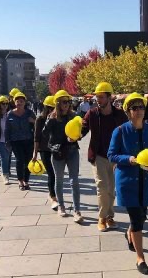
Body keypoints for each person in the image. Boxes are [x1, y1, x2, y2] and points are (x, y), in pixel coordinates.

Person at [108, 92, 148, 275]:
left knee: (142, 217)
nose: (138, 111)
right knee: (137, 220)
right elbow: (111, 154)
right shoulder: (120, 131)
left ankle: (130, 233)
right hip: (127, 182)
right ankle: (140, 258)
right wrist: (129, 159)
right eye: (134, 108)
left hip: (145, 181)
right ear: (128, 112)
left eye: (141, 107)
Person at [81, 82, 127, 232]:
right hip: (99, 155)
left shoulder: (120, 114)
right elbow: (82, 130)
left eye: (101, 97)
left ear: (109, 97)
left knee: (111, 189)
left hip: (116, 157)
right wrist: (73, 136)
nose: (98, 100)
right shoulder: (92, 114)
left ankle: (110, 216)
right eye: (97, 97)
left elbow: (127, 132)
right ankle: (102, 218)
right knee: (102, 187)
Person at [43, 89, 83, 223]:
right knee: (59, 180)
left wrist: (78, 136)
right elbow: (44, 134)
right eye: (64, 102)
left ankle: (77, 210)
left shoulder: (73, 115)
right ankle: (61, 206)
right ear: (58, 103)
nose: (67, 104)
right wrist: (48, 122)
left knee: (74, 181)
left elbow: (79, 132)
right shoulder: (52, 118)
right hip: (58, 152)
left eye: (69, 102)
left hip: (72, 150)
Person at [4, 92, 36, 190]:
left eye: (21, 101)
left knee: (28, 161)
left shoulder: (29, 113)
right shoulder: (10, 114)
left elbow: (38, 125)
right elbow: (7, 129)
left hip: (28, 140)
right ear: (14, 102)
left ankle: (26, 181)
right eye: (17, 101)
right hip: (15, 141)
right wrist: (7, 142)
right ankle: (20, 181)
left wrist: (33, 121)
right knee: (20, 160)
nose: (19, 103)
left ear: (25, 102)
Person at [33, 95, 59, 209]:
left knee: (57, 174)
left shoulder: (58, 118)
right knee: (51, 173)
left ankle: (54, 194)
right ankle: (53, 196)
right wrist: (35, 154)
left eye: (53, 108)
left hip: (56, 149)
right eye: (49, 108)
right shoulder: (40, 119)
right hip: (44, 150)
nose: (51, 110)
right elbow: (36, 137)